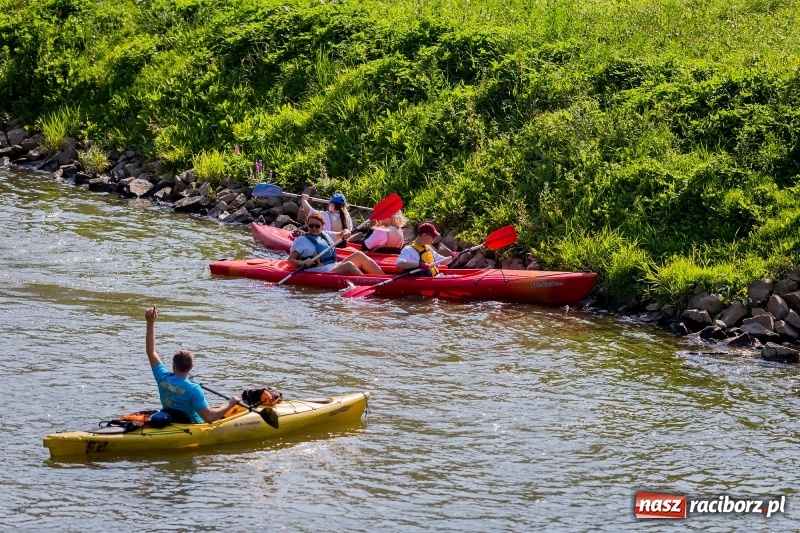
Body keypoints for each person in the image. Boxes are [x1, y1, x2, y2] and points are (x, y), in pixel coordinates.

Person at [145, 306, 240, 424]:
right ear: (191, 367)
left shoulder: (162, 377)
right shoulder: (194, 389)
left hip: (173, 422)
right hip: (193, 426)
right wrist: (230, 403)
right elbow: (209, 418)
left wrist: (150, 322)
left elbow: (151, 352)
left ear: (173, 365)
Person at [287, 212, 384, 275]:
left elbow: (342, 233)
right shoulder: (301, 240)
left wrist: (346, 232)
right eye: (311, 225)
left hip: (332, 266)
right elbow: (290, 260)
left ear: (322, 226)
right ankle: (368, 282)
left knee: (359, 255)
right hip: (319, 271)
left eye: (317, 226)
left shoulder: (325, 234)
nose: (314, 228)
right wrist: (303, 262)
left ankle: (383, 278)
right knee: (349, 265)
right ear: (307, 225)